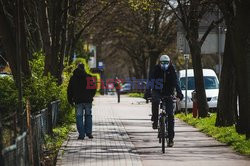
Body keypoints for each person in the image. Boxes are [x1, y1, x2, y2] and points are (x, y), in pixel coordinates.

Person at [144, 54, 183, 147]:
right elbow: (150, 81)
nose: (164, 64)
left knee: (170, 115)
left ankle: (170, 139)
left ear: (169, 63)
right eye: (162, 63)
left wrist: (179, 93)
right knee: (155, 101)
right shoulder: (156, 69)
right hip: (157, 91)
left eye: (166, 63)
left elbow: (176, 82)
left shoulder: (172, 69)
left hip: (168, 92)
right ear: (159, 63)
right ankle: (155, 119)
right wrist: (147, 92)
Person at [67, 63, 96, 140]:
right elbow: (93, 89)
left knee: (79, 117)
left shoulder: (73, 78)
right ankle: (89, 133)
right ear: (84, 68)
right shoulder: (89, 77)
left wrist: (70, 100)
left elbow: (70, 90)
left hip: (78, 101)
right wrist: (91, 96)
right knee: (88, 116)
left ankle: (81, 134)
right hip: (87, 100)